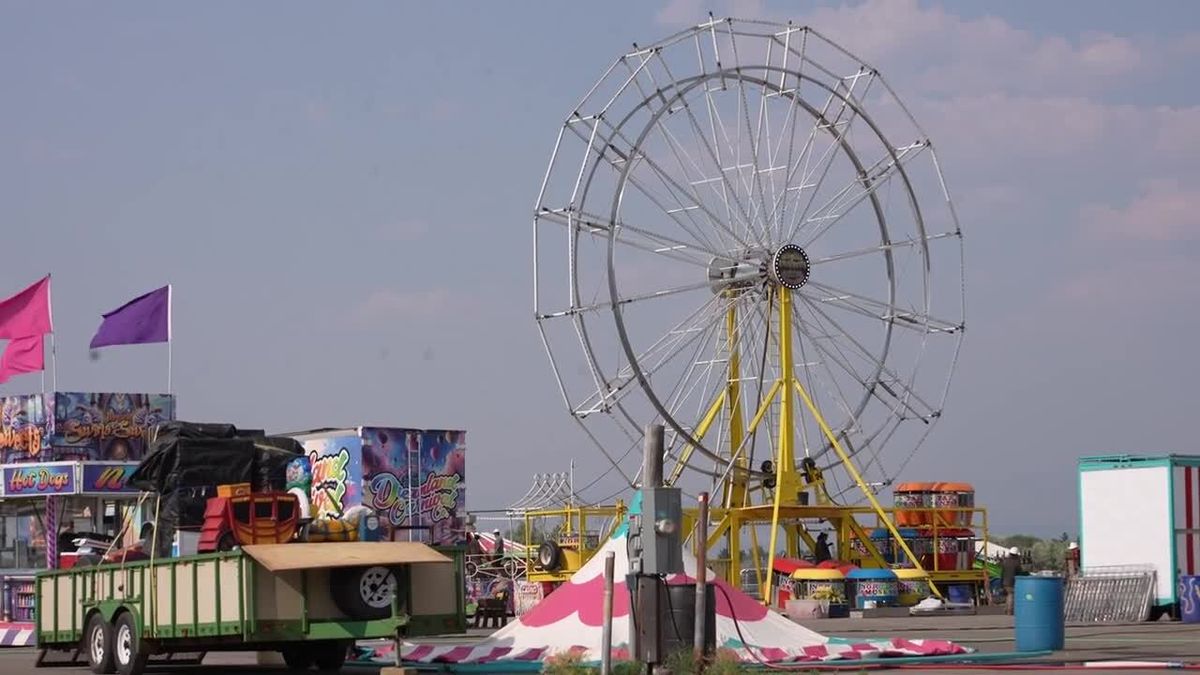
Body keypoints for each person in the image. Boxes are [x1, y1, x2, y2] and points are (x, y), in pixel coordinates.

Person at [1001, 546, 1023, 615]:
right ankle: (1010, 611)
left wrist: (1001, 582)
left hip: (1005, 582)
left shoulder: (1005, 561)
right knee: (1011, 595)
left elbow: (1002, 573)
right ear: (1016, 554)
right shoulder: (1016, 563)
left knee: (1008, 595)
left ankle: (1006, 610)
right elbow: (1019, 573)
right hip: (1012, 582)